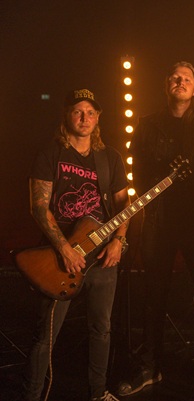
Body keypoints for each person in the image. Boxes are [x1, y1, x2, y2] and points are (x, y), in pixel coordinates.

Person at [117, 61, 194, 396]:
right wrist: (163, 172)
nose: (180, 81)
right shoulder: (147, 124)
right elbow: (137, 171)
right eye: (175, 77)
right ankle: (150, 366)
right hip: (159, 220)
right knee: (153, 296)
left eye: (187, 78)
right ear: (166, 85)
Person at [22, 89, 129, 401]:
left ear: (97, 119)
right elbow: (39, 207)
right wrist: (64, 249)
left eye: (90, 112)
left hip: (102, 255)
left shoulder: (110, 158)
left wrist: (119, 240)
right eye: (78, 111)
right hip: (59, 258)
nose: (85, 118)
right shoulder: (50, 153)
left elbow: (124, 205)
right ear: (67, 115)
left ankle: (97, 392)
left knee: (101, 329)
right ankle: (32, 396)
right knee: (45, 336)